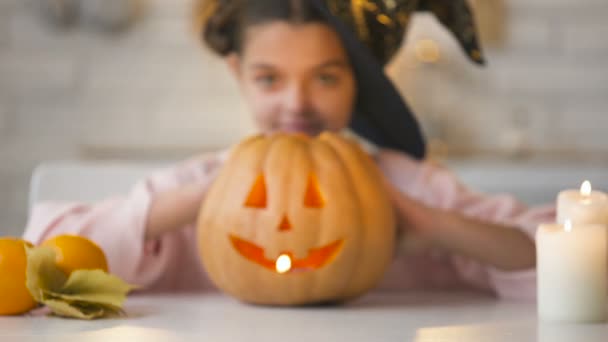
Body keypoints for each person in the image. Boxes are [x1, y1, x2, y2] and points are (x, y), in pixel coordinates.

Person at [23, 0, 554, 298]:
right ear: (239, 75)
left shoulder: (411, 186)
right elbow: (44, 258)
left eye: (325, 78)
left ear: (358, 85)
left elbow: (565, 261)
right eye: (271, 79)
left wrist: (430, 226)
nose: (297, 104)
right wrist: (209, 198)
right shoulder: (205, 181)